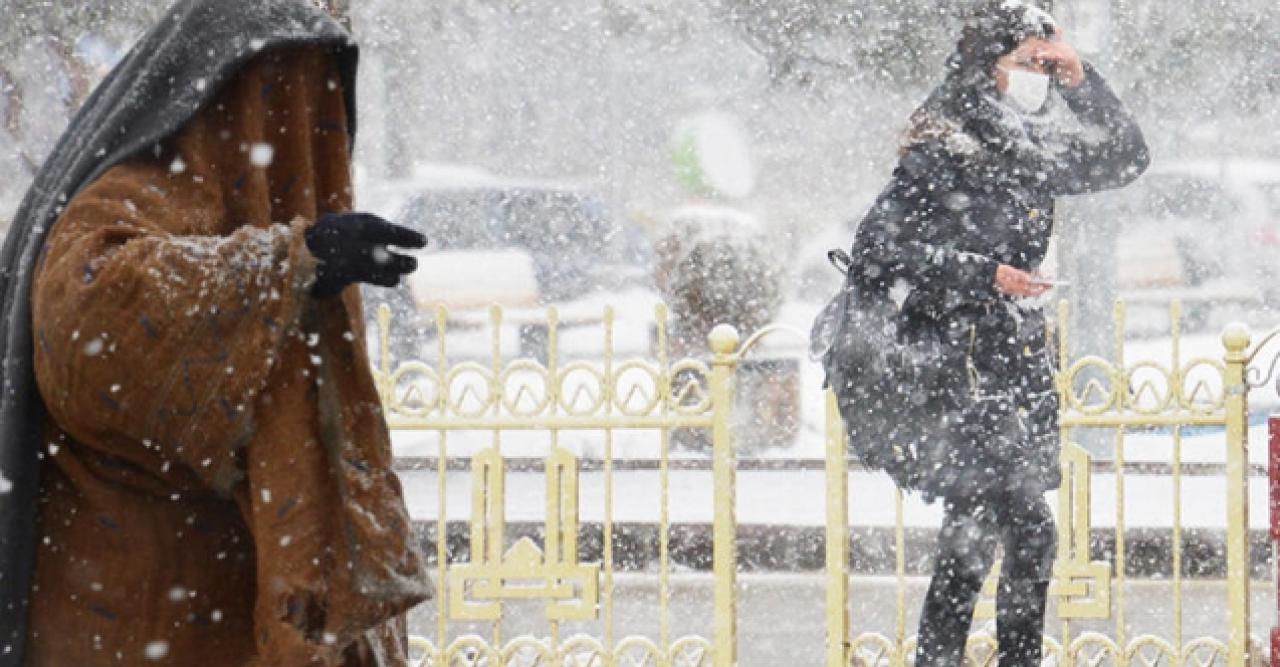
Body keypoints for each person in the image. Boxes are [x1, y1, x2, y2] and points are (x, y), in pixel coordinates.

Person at [0, 1, 432, 664]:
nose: (308, 141)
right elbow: (85, 316)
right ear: (238, 93)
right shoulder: (141, 185)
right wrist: (287, 265)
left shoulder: (248, 206)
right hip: (138, 619)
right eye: (291, 102)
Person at [845, 2, 1148, 664]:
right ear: (989, 65)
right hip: (958, 362)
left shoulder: (1031, 144)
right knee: (999, 529)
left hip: (1016, 360)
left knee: (1003, 532)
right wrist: (988, 275)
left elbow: (1127, 156)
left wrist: (1078, 76)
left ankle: (972, 657)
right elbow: (877, 247)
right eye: (1029, 62)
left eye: (1048, 61)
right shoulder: (945, 135)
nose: (1040, 74)